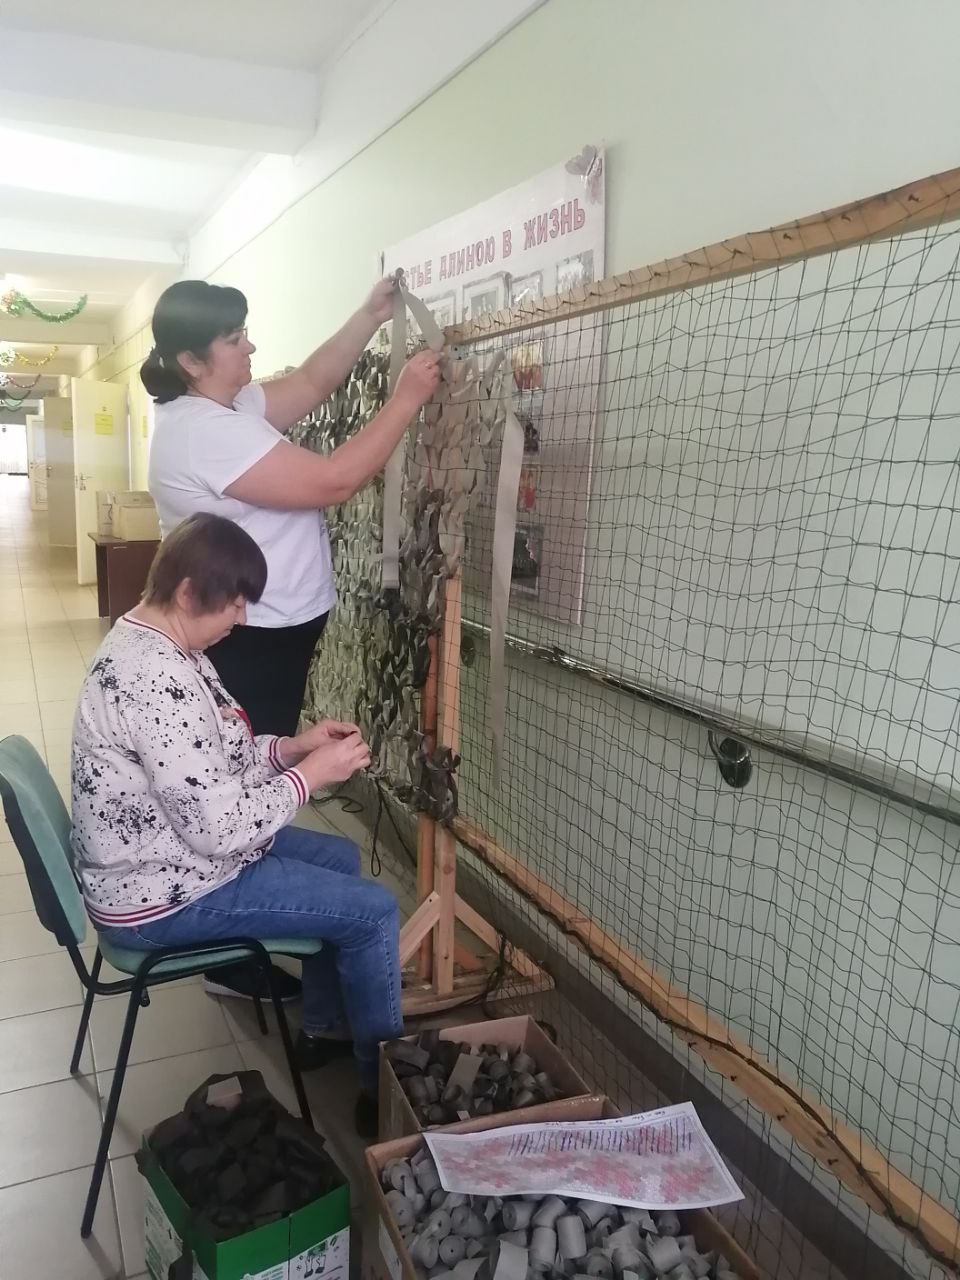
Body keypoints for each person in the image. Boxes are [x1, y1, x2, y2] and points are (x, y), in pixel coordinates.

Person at [143, 277, 438, 1001]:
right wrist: (405, 398)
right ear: (191, 360)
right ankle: (231, 956)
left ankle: (250, 917)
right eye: (234, 338)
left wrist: (367, 316)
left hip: (277, 628)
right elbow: (334, 480)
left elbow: (310, 381)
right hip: (250, 638)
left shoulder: (227, 405)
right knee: (242, 780)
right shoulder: (202, 433)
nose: (250, 346)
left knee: (254, 764)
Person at [71, 513, 402, 1137]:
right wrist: (311, 777)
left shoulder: (163, 644)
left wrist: (294, 748)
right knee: (375, 911)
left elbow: (216, 757)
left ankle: (323, 1028)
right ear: (188, 592)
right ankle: (380, 1089)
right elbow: (220, 830)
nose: (243, 618)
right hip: (161, 893)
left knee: (343, 861)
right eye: (235, 603)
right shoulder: (155, 680)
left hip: (163, 860)